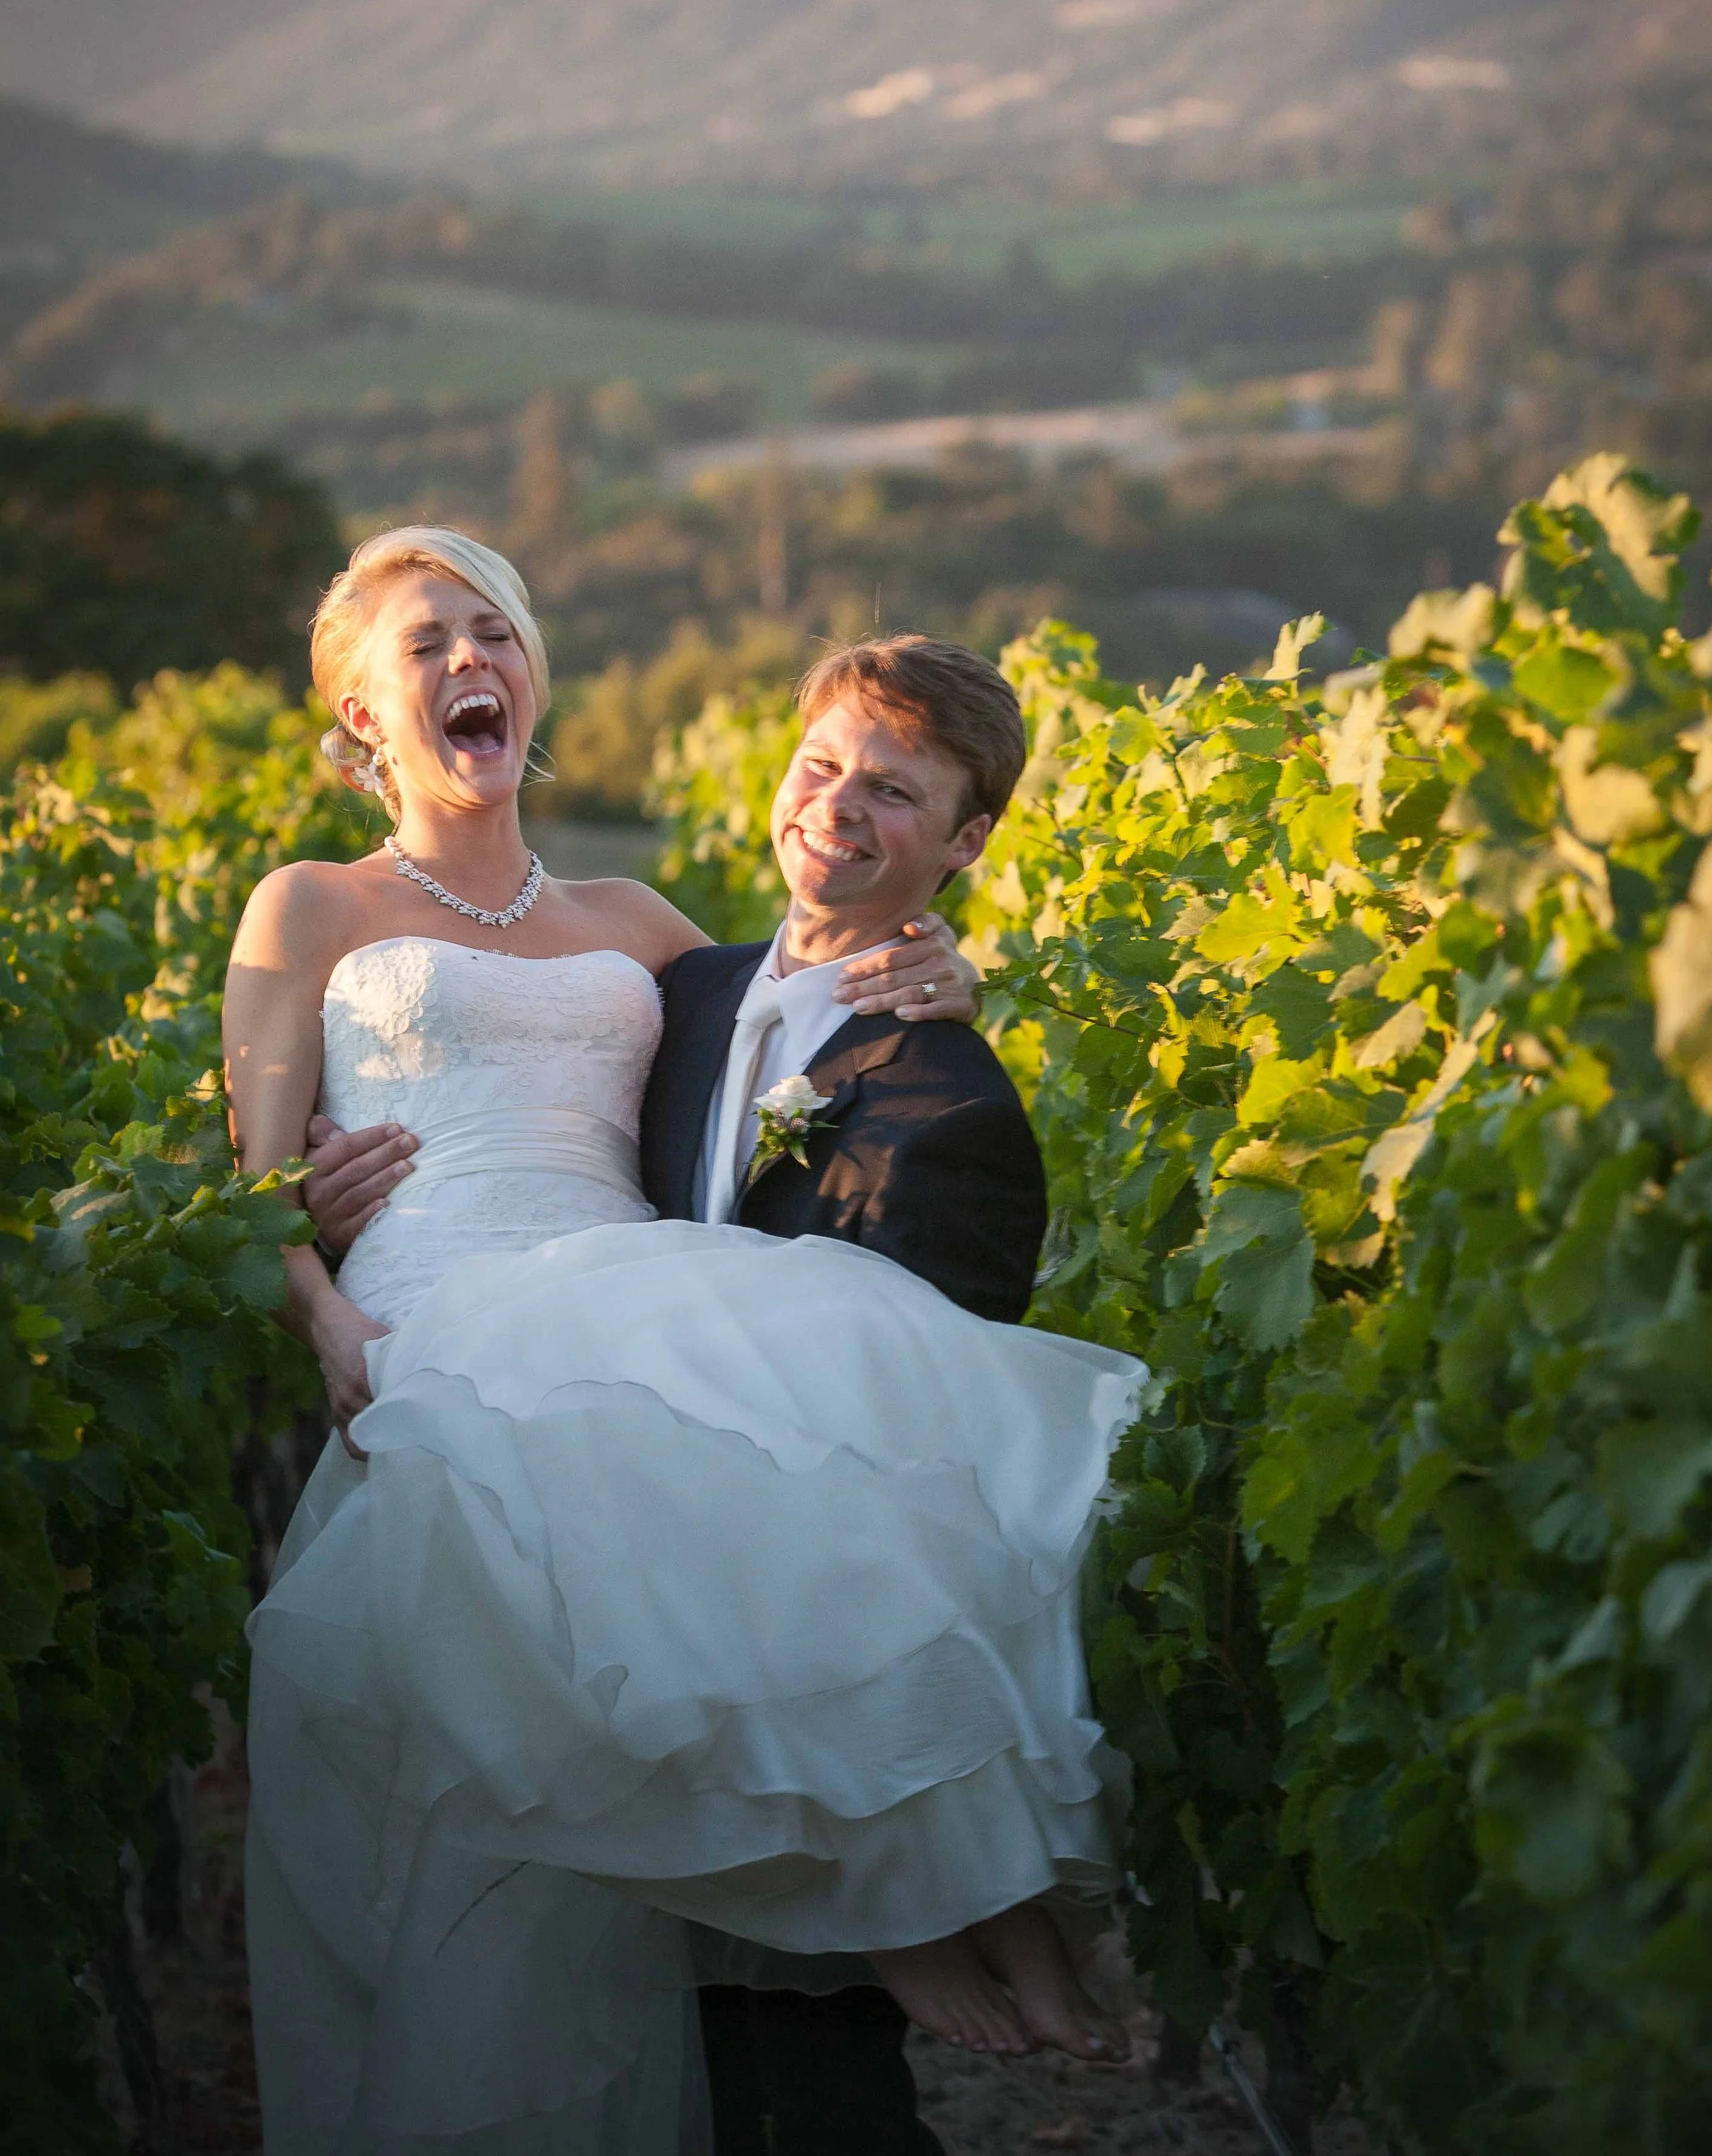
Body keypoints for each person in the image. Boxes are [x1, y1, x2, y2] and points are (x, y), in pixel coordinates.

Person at [230, 526, 1144, 2156]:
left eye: (494, 632)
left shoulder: (642, 920)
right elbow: (251, 1186)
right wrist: (331, 1323)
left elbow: (800, 998)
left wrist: (945, 960)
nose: (470, 663)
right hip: (436, 1317)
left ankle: (961, 1883)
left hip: (626, 1284)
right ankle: (890, 1909)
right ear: (362, 710)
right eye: (427, 641)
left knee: (818, 1462)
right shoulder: (306, 907)